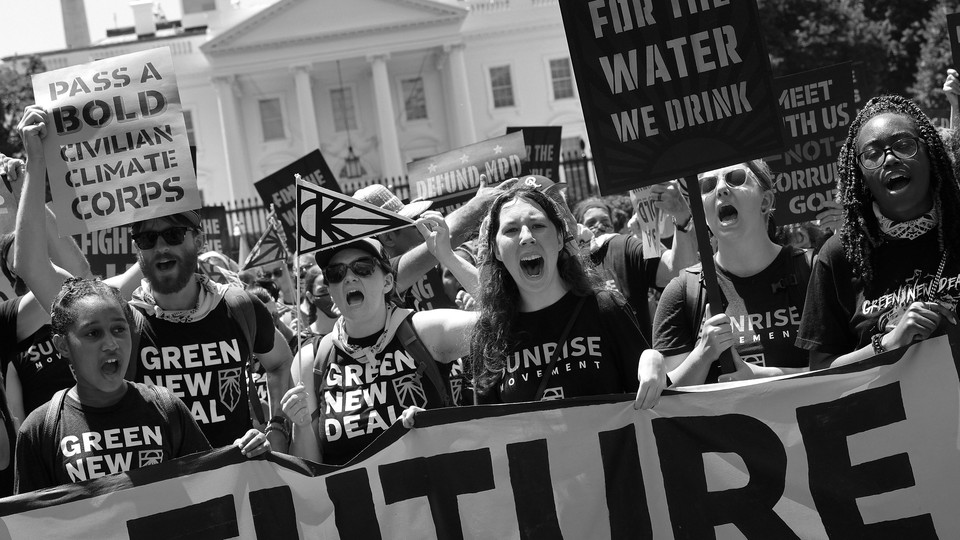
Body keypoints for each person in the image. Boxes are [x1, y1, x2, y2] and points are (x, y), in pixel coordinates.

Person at [12, 106, 294, 453]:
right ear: (137, 251)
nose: (162, 246)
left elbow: (280, 362)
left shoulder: (239, 307)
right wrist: (34, 165)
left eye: (174, 234)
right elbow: (31, 267)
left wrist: (276, 428)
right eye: (148, 239)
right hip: (159, 500)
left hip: (233, 496)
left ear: (199, 241)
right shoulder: (121, 319)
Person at [13, 278, 270, 494]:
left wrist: (247, 455)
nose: (111, 343)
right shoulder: (39, 431)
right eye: (93, 333)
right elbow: (32, 523)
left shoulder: (166, 408)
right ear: (62, 345)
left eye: (118, 329)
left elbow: (208, 493)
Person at [280, 227, 477, 465]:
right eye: (336, 273)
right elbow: (310, 471)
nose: (349, 277)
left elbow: (502, 320)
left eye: (363, 268)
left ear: (387, 282)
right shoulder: (310, 361)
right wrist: (300, 426)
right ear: (330, 292)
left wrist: (448, 258)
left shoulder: (423, 331)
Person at [797, 95, 960, 368]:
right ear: (860, 176)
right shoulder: (838, 254)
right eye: (872, 154)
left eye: (904, 145)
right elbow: (821, 370)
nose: (889, 159)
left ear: (930, 154)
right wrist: (887, 344)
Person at [467, 183, 665, 406]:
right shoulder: (488, 334)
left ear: (560, 238)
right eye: (511, 230)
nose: (526, 237)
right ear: (496, 250)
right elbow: (486, 431)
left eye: (538, 225)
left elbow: (657, 410)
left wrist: (653, 360)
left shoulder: (606, 308)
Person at [653, 160, 811, 385]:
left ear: (765, 201)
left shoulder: (812, 269)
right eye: (707, 185)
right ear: (701, 210)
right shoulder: (682, 292)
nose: (721, 189)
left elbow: (848, 372)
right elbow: (668, 404)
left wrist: (766, 376)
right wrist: (702, 355)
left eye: (735, 178)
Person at [572, 183, 697, 343]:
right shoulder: (568, 263)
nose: (599, 227)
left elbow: (678, 270)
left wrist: (681, 216)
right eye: (591, 223)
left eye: (605, 221)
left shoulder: (624, 246)